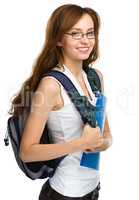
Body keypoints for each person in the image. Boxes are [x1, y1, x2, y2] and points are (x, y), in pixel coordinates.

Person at [10, 4, 112, 200]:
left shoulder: (96, 78)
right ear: (59, 39)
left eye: (90, 33)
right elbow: (27, 152)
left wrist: (102, 143)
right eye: (75, 33)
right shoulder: (51, 85)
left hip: (94, 189)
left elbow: (106, 133)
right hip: (64, 193)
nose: (85, 40)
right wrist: (81, 143)